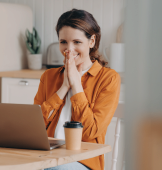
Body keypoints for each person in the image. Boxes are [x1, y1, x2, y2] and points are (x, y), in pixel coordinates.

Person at [34, 9, 121, 170]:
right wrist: (64, 86)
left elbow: (89, 132)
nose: (69, 49)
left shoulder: (108, 78)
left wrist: (76, 85)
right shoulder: (49, 76)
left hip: (83, 161)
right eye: (63, 42)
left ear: (92, 41)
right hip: (46, 155)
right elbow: (35, 127)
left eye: (77, 42)